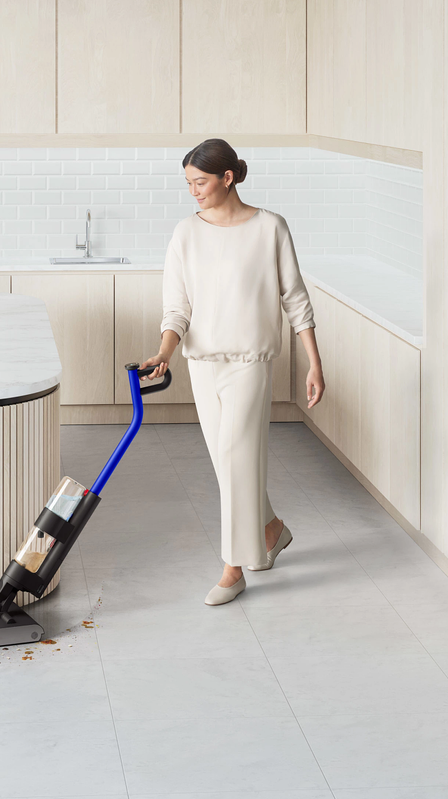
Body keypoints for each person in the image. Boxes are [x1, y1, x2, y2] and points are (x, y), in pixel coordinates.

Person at [139, 139, 325, 606]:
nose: (193, 191)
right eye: (188, 183)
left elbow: (295, 300)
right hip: (202, 364)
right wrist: (164, 352)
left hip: (250, 364)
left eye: (200, 182)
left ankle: (233, 568)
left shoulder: (270, 228)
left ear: (227, 178)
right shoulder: (185, 233)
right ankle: (271, 529)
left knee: (236, 455)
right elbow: (177, 308)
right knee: (230, 465)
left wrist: (314, 363)